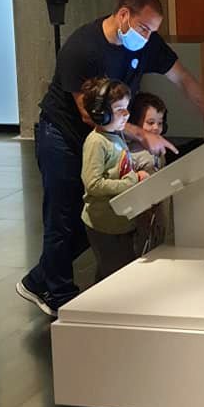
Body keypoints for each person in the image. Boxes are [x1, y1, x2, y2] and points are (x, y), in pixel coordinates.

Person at [16, 0, 204, 317]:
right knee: (63, 213)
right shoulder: (81, 48)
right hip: (63, 133)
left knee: (98, 216)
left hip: (108, 134)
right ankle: (60, 294)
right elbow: (89, 113)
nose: (147, 38)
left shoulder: (147, 43)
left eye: (153, 31)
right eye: (144, 28)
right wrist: (142, 134)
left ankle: (38, 279)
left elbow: (184, 79)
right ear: (123, 15)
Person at [79, 78, 149, 282]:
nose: (126, 114)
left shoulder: (115, 136)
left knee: (115, 269)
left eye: (126, 107)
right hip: (104, 223)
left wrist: (136, 174)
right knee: (114, 274)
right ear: (100, 113)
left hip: (119, 220)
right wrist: (131, 182)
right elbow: (93, 184)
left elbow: (119, 169)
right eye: (119, 109)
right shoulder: (96, 143)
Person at [128, 91, 170, 254]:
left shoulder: (159, 148)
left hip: (159, 208)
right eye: (150, 122)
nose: (156, 128)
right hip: (142, 212)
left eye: (160, 123)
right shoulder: (132, 153)